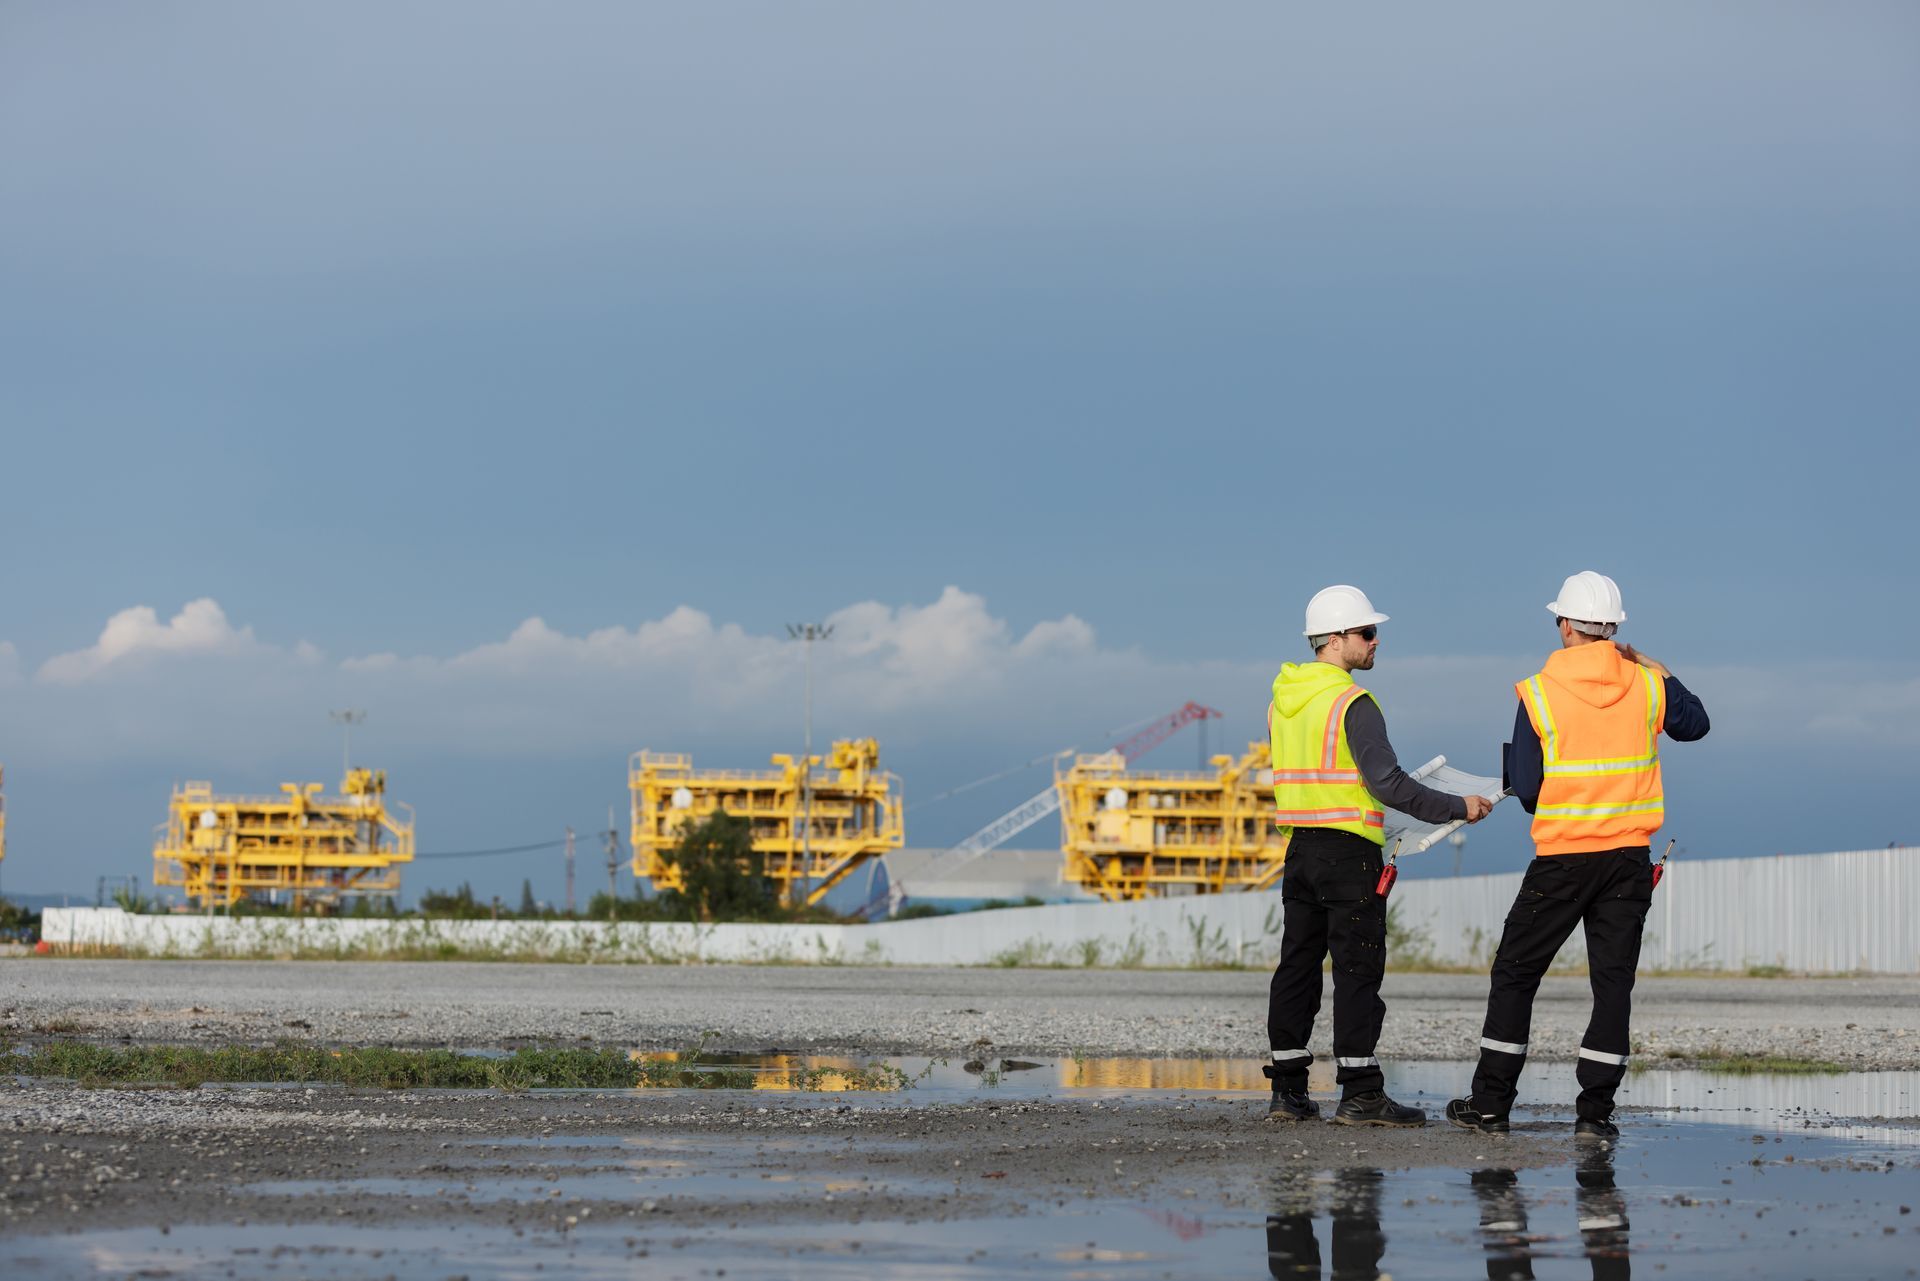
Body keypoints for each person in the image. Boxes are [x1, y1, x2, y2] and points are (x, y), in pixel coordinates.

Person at [1447, 571, 1709, 1140]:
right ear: (1613, 628)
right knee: (1612, 985)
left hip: (1563, 859)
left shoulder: (1538, 692)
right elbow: (1697, 724)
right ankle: (1595, 1115)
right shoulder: (1647, 685)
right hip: (1627, 861)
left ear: (1564, 625)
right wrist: (1659, 669)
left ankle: (1490, 1106)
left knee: (1515, 975)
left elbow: (1531, 790)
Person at [1266, 585, 1494, 1126]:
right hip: (1349, 854)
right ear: (1337, 639)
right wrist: (1458, 806)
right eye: (1367, 633)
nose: (1376, 642)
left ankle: (1288, 1092)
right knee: (1357, 972)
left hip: (1300, 849)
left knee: (1296, 969)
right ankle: (1362, 1093)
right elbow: (1388, 784)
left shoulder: (1283, 702)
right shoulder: (1353, 702)